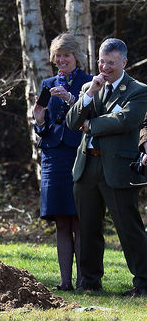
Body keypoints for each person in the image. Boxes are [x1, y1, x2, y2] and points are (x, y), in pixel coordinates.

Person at [66, 38, 147, 296]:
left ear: (124, 62)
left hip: (117, 168)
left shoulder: (138, 90)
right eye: (101, 61)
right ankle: (89, 282)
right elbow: (71, 121)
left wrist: (91, 125)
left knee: (129, 228)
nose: (104, 67)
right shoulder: (90, 86)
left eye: (111, 63)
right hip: (87, 165)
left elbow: (126, 119)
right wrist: (89, 94)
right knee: (88, 228)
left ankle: (144, 282)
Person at [32, 33, 91, 291]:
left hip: (78, 155)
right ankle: (65, 282)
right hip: (53, 158)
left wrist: (70, 100)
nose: (61, 60)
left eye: (66, 55)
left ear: (76, 56)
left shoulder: (89, 82)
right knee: (61, 222)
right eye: (57, 55)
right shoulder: (47, 84)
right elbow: (43, 127)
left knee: (79, 220)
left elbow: (92, 118)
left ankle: (83, 281)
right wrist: (39, 121)